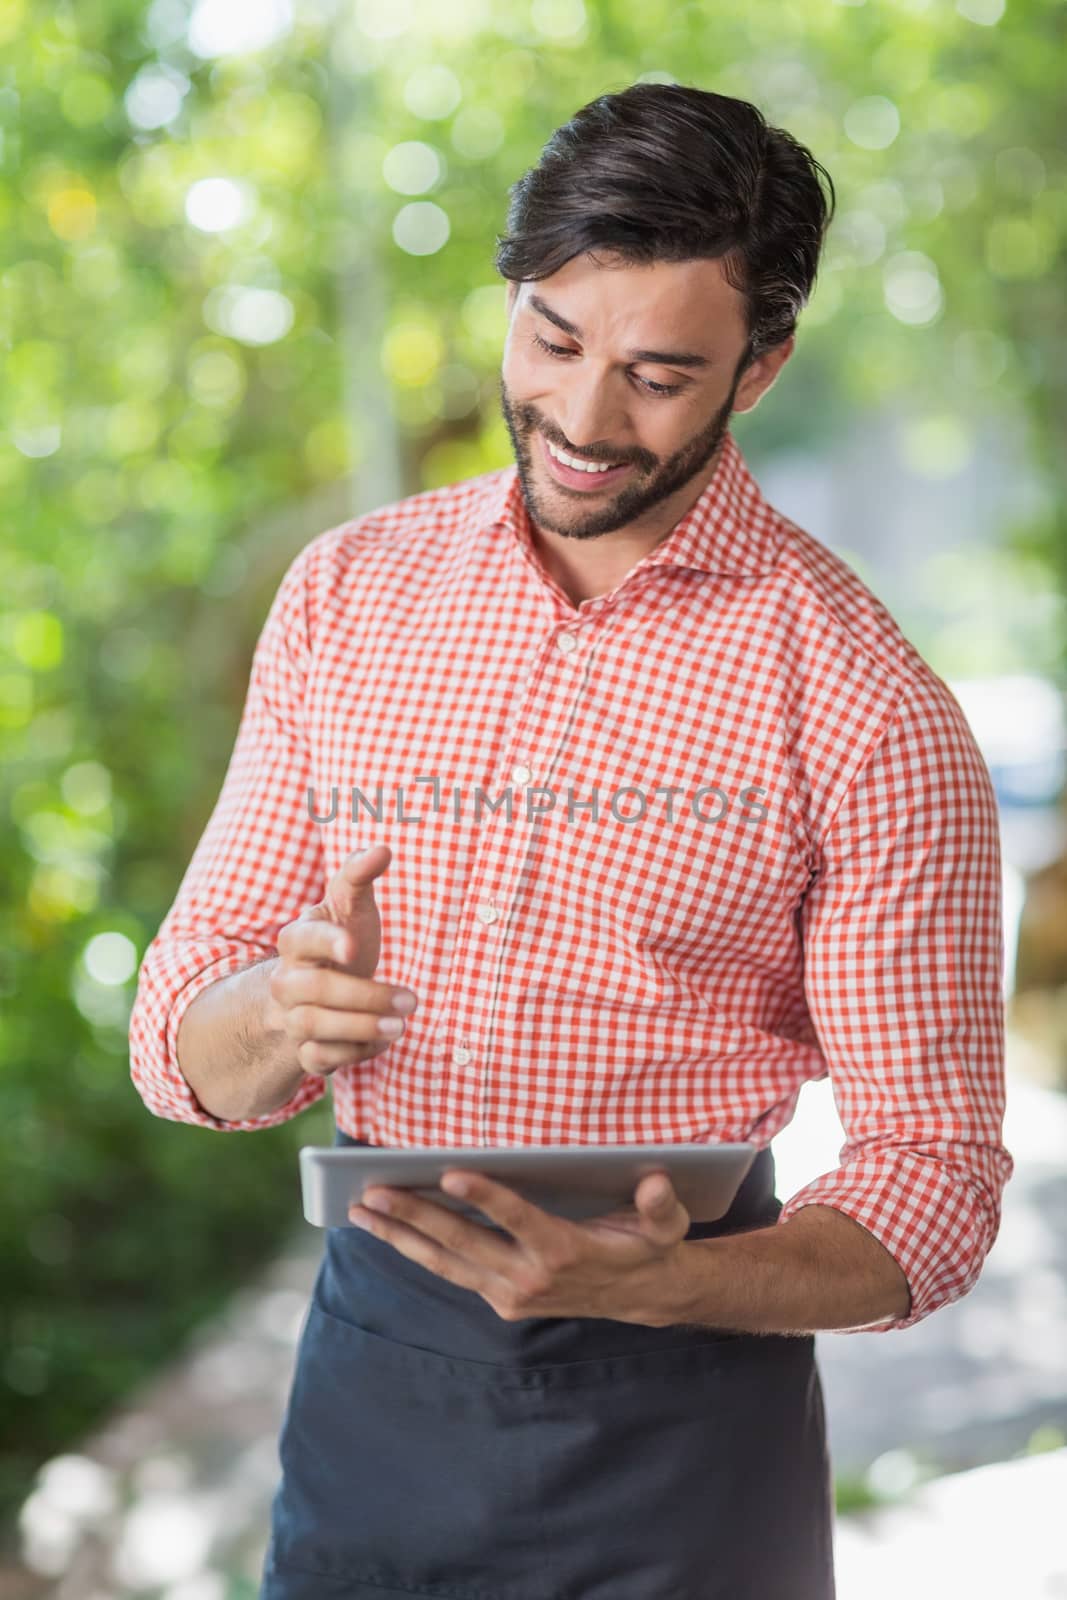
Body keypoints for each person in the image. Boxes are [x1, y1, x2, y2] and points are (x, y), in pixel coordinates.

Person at [128, 82, 1013, 1600]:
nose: (589, 421)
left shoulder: (871, 712)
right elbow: (174, 1039)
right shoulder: (349, 601)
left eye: (663, 375)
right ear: (513, 298)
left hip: (683, 1426)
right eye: (553, 340)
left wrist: (678, 1286)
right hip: (372, 1394)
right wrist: (276, 1013)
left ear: (762, 368)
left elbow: (934, 1179)